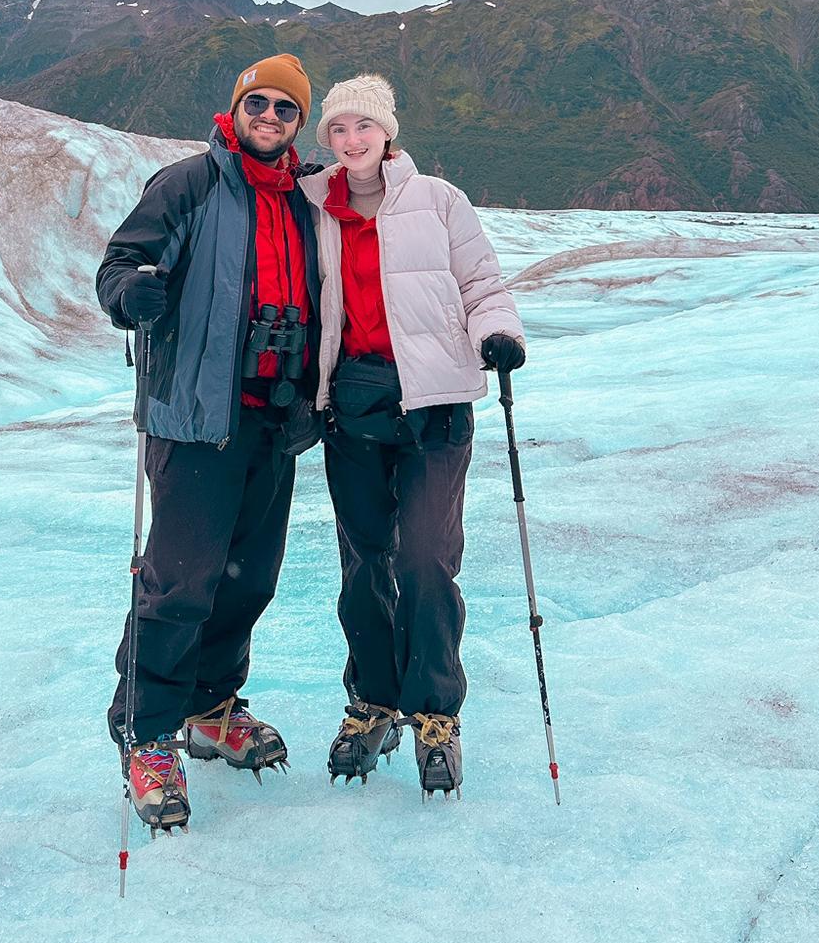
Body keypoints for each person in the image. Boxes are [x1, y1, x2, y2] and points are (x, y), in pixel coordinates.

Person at [96, 53, 322, 832]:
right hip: (195, 416)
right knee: (180, 580)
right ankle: (148, 732)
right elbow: (120, 262)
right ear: (237, 110)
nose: (269, 117)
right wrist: (131, 293)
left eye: (285, 109)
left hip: (275, 414)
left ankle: (211, 706)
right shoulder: (189, 183)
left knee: (248, 575)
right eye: (257, 104)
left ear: (299, 122)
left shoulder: (305, 197)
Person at [299, 74, 525, 799]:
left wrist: (498, 334)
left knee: (426, 561)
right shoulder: (316, 209)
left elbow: (481, 284)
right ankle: (373, 703)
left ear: (387, 132)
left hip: (435, 405)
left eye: (362, 127)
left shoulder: (439, 200)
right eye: (337, 130)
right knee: (365, 562)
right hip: (355, 403)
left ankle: (434, 713)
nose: (351, 141)